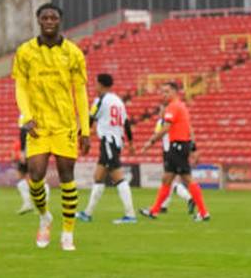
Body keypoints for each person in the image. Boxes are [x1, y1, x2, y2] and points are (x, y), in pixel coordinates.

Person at [13, 3, 91, 252]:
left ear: (60, 20)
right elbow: (20, 87)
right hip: (38, 125)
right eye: (45, 17)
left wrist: (85, 129)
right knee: (35, 175)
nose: (49, 20)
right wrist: (26, 116)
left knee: (67, 174)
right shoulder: (25, 52)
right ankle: (44, 216)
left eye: (53, 17)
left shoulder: (73, 53)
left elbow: (80, 91)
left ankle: (68, 232)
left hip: (65, 125)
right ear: (38, 20)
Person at [139, 82, 210, 222]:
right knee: (167, 179)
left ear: (174, 92)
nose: (163, 94)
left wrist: (150, 142)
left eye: (166, 92)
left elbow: (165, 128)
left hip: (177, 146)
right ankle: (154, 211)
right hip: (178, 146)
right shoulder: (181, 106)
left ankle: (203, 212)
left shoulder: (173, 106)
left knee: (187, 179)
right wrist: (194, 148)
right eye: (162, 92)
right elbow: (189, 128)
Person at [76, 73, 137, 224]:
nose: (94, 86)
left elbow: (89, 119)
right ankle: (87, 213)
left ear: (101, 84)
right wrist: (130, 142)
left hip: (109, 141)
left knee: (117, 177)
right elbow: (127, 123)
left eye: (96, 83)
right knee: (98, 176)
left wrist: (81, 137)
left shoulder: (101, 100)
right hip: (114, 141)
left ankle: (130, 215)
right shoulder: (118, 101)